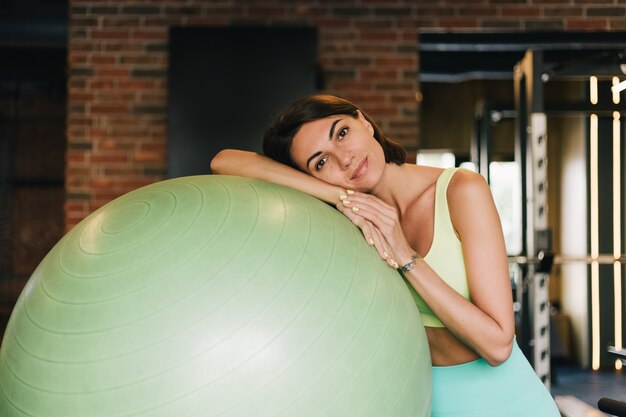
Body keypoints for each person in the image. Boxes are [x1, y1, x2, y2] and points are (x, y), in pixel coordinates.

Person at [210, 94, 561, 416]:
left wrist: (404, 255)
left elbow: (498, 346)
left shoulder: (461, 190)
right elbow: (224, 161)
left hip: (503, 402)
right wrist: (338, 197)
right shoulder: (351, 217)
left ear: (364, 121)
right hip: (418, 400)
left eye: (342, 133)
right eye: (320, 163)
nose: (344, 158)